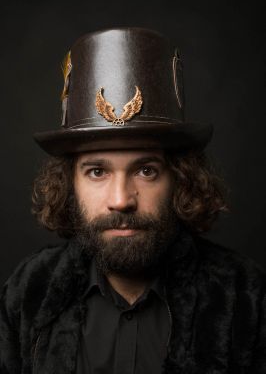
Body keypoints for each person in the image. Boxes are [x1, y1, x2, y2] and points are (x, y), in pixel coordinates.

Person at [0, 27, 265, 374]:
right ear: (69, 183)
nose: (121, 200)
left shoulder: (246, 296)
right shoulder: (29, 290)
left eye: (146, 171)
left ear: (180, 179)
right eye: (97, 172)